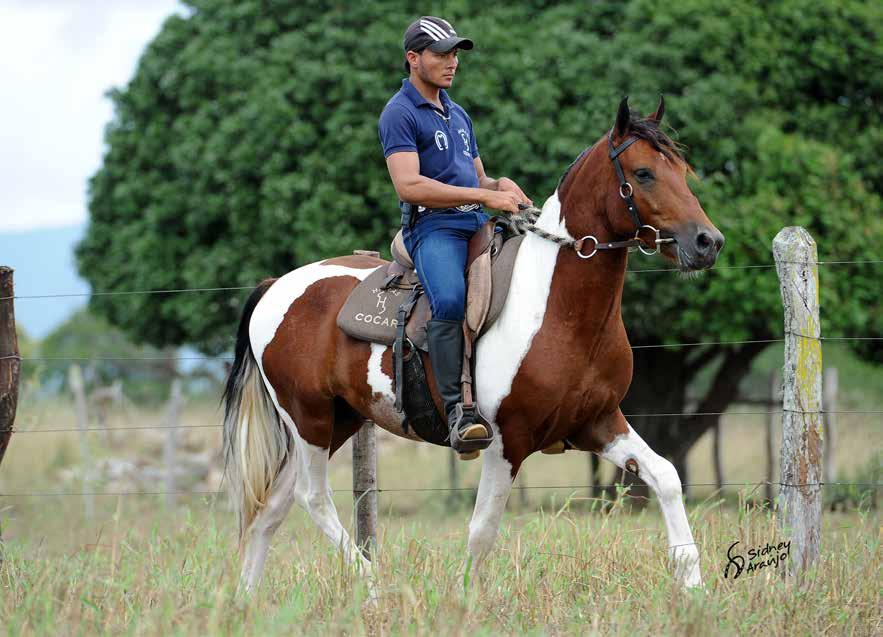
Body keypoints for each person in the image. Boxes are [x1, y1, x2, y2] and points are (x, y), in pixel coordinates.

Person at [378, 15, 532, 454]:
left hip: (475, 222)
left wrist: (500, 187)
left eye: (455, 54)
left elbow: (477, 179)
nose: (452, 63)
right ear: (413, 59)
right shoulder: (399, 113)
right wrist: (483, 198)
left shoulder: (459, 114)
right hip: (433, 226)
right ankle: (457, 412)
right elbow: (409, 185)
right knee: (447, 298)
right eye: (441, 54)